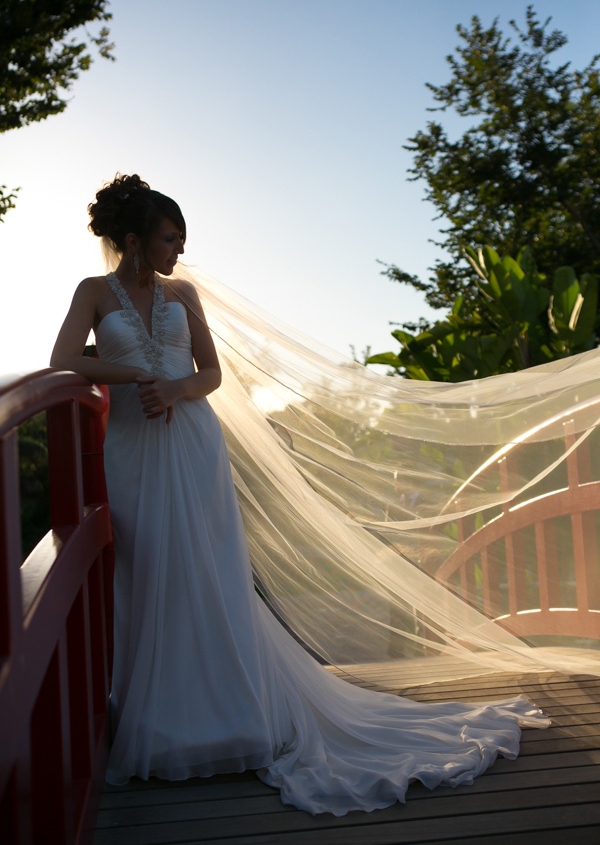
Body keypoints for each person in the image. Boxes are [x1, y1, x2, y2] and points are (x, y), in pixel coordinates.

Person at [51, 173, 550, 816]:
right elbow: (65, 358)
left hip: (193, 443)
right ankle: (162, 720)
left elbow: (211, 372)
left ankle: (230, 720)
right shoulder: (94, 293)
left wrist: (174, 388)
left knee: (209, 572)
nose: (179, 250)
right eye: (170, 239)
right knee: (147, 571)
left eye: (181, 239)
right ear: (134, 241)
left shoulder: (184, 293)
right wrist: (129, 372)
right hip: (132, 449)